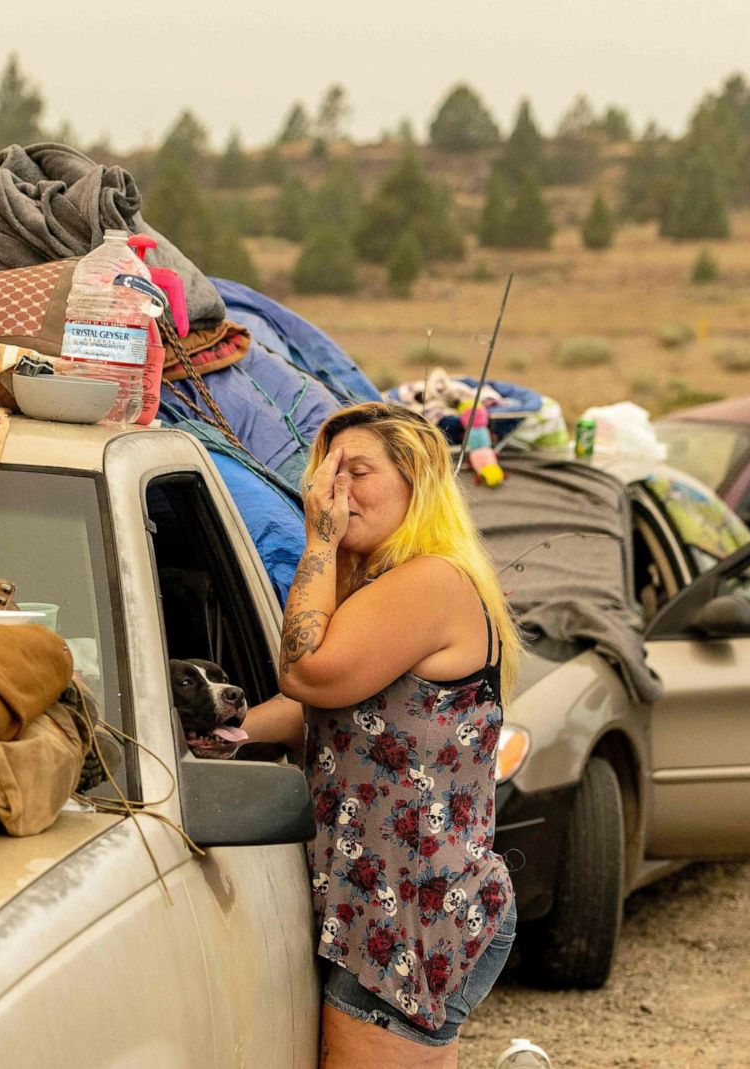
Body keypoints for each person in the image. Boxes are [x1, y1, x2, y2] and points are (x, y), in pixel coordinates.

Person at [245, 402, 523, 1068]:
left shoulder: (429, 581)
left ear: (416, 480)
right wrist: (217, 734)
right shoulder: (387, 586)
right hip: (387, 912)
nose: (333, 487)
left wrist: (318, 541)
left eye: (356, 470)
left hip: (411, 913)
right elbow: (328, 714)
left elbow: (307, 671)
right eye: (324, 470)